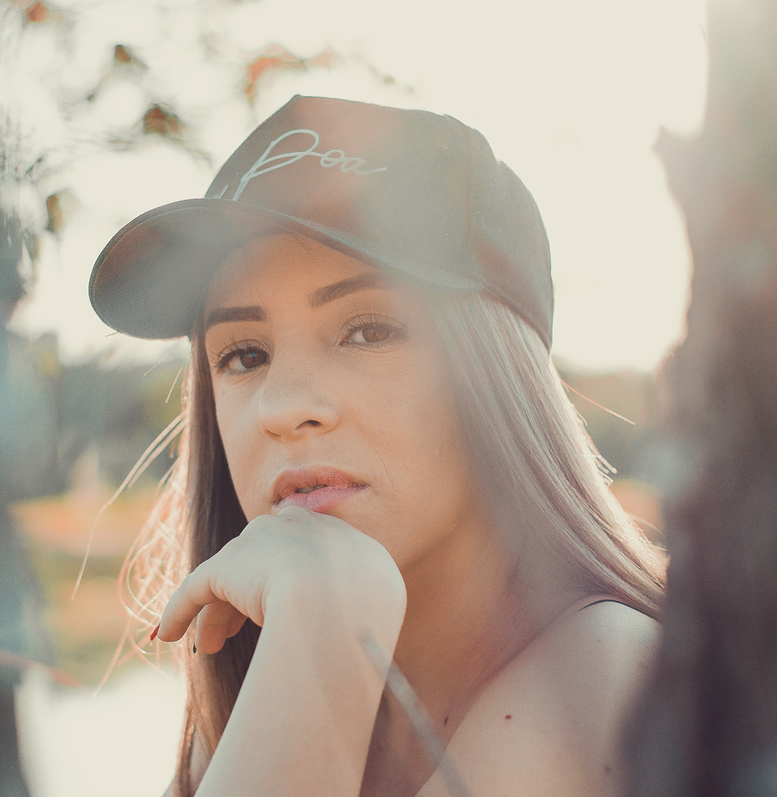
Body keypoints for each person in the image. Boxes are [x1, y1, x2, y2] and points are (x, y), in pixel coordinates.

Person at [88, 95, 666, 797]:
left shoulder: (609, 674)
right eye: (243, 354)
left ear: (496, 375)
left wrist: (324, 634)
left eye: (368, 331)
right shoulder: (283, 667)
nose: (285, 407)